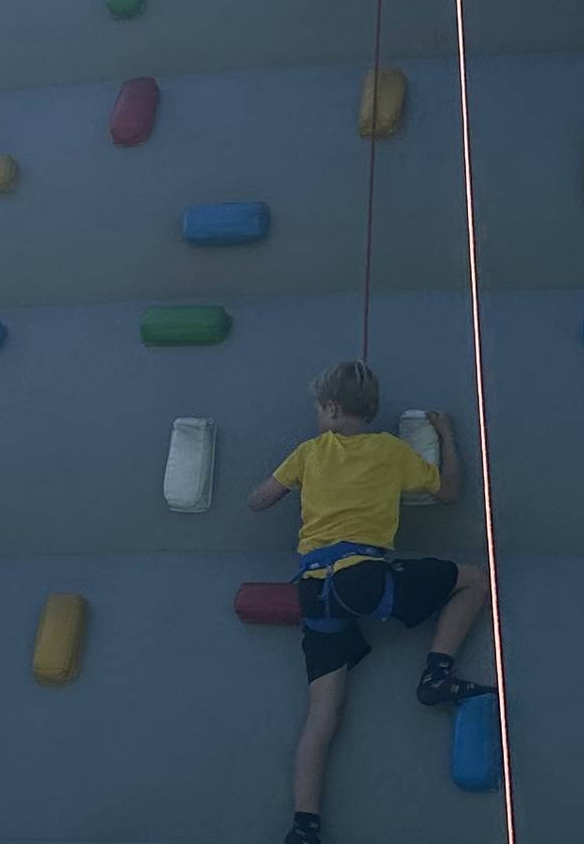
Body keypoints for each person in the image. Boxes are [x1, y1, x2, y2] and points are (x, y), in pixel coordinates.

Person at [245, 360, 494, 844]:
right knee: (473, 581)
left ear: (333, 410)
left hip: (315, 590)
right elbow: (450, 492)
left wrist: (290, 483)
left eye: (319, 408)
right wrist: (445, 433)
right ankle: (437, 673)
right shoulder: (391, 450)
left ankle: (304, 827)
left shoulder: (309, 452)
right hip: (367, 577)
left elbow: (259, 501)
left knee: (322, 717)